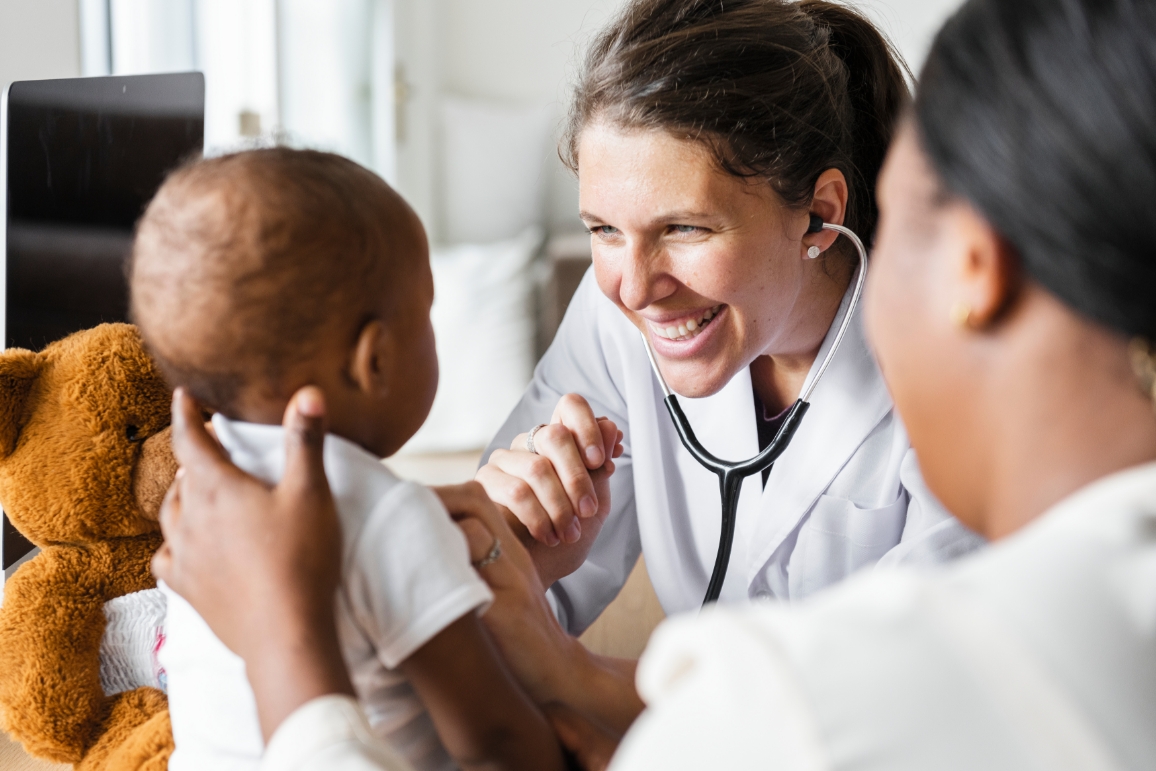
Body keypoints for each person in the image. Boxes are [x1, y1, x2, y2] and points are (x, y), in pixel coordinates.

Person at [154, 0, 1156, 767]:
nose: (632, 286)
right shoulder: (621, 317)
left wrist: (558, 676)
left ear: (826, 215)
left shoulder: (962, 430)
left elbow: (879, 680)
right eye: (600, 231)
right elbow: (496, 616)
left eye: (685, 228)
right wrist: (522, 559)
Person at [129, 150, 564, 771]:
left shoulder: (203, 504)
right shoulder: (388, 514)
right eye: (427, 313)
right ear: (375, 361)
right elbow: (499, 742)